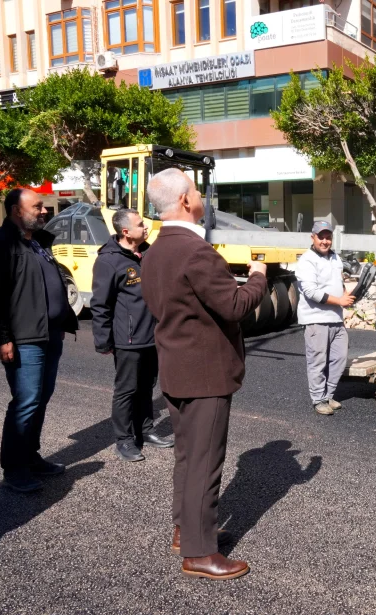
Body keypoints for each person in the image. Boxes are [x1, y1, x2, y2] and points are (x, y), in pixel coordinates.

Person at [141, 168, 268, 581]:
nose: (200, 197)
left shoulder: (156, 251)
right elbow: (232, 306)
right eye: (195, 191)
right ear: (183, 201)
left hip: (177, 368)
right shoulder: (195, 252)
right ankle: (199, 552)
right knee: (205, 463)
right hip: (206, 372)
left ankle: (186, 530)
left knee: (186, 456)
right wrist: (258, 278)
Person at [0, 188, 78, 493]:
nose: (44, 211)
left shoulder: (40, 243)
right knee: (26, 401)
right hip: (22, 339)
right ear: (17, 211)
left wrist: (59, 322)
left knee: (40, 399)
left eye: (44, 206)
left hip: (49, 334)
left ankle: (30, 456)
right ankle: (14, 468)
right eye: (38, 206)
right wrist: (1, 338)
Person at [91, 208, 173, 463]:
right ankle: (124, 440)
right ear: (126, 231)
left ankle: (146, 430)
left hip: (152, 335)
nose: (145, 228)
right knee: (127, 390)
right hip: (128, 339)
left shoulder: (147, 253)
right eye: (140, 225)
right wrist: (103, 340)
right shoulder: (108, 261)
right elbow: (100, 304)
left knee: (147, 386)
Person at [295, 220, 355, 416]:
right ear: (313, 237)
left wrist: (345, 293)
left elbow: (338, 281)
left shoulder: (335, 258)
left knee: (339, 358)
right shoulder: (306, 261)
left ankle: (328, 395)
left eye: (328, 237)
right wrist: (339, 301)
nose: (325, 241)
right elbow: (311, 292)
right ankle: (318, 400)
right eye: (321, 237)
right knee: (318, 361)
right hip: (316, 320)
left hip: (336, 318)